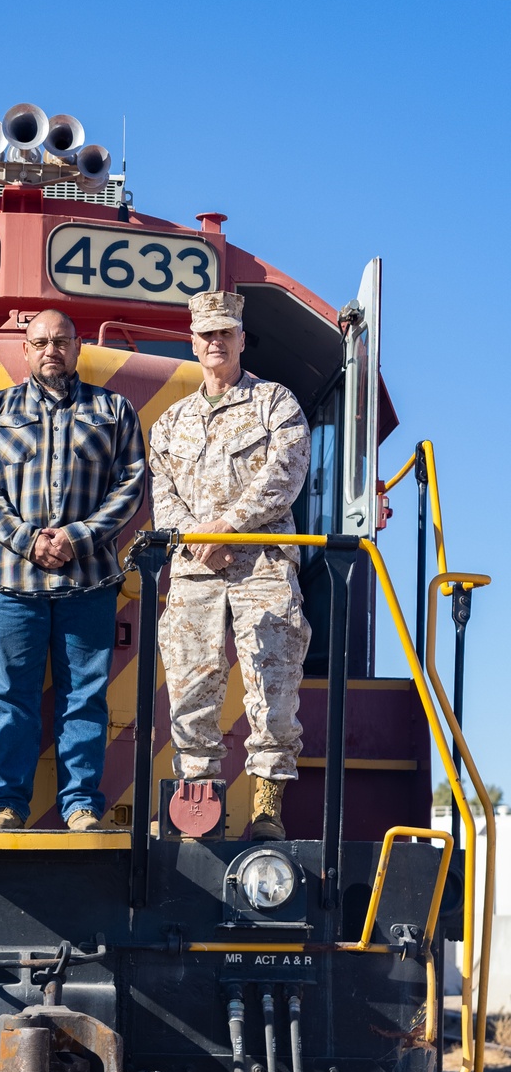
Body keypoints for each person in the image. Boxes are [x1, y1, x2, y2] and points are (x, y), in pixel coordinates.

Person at [0, 309, 145, 831]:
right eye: (40, 341)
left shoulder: (114, 410)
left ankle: (82, 805)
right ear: (25, 349)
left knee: (85, 697)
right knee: (10, 697)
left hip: (88, 583)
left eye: (61, 341)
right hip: (12, 584)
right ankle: (6, 805)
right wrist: (27, 541)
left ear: (78, 345)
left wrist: (77, 538)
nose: (51, 350)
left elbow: (130, 485)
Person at [149, 291, 311, 840]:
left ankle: (267, 809)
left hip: (262, 568)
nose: (215, 342)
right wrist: (197, 542)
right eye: (206, 334)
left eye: (226, 333)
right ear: (192, 343)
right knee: (192, 691)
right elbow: (164, 493)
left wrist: (224, 529)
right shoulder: (170, 423)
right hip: (195, 572)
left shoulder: (276, 404)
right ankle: (199, 811)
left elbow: (285, 475)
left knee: (272, 687)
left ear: (241, 339)